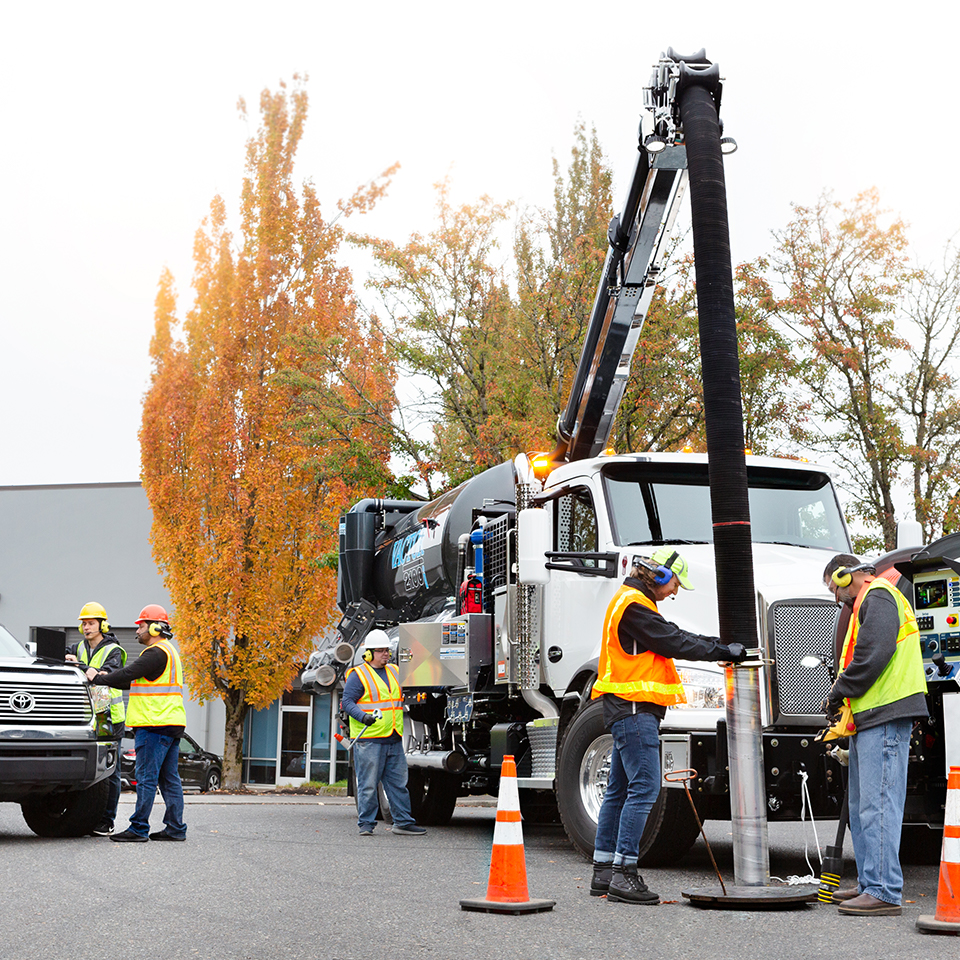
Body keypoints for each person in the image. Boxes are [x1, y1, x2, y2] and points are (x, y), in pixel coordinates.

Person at [590, 548, 747, 904]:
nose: (675, 591)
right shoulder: (633, 605)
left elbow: (673, 634)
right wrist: (722, 652)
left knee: (618, 790)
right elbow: (673, 641)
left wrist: (718, 645)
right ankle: (623, 875)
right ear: (659, 575)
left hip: (626, 708)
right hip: (634, 709)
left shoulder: (633, 603)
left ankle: (604, 871)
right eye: (675, 582)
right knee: (645, 788)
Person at [822, 554, 927, 916]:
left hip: (886, 713)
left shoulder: (878, 595)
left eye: (834, 586)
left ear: (845, 575)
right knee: (861, 806)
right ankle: (871, 882)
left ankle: (883, 889)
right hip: (871, 714)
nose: (837, 597)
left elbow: (872, 654)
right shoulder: (871, 601)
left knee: (878, 803)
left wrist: (839, 690)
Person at [91, 604, 187, 842]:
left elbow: (125, 674)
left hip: (153, 725)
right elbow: (129, 682)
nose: (137, 631)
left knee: (146, 778)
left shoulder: (155, 653)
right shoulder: (169, 651)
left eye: (141, 626)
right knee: (169, 779)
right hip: (170, 723)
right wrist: (106, 678)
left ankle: (139, 828)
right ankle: (175, 828)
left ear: (155, 627)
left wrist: (95, 676)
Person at [340, 630, 426, 837]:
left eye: (387, 650)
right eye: (380, 651)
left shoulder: (395, 671)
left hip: (393, 737)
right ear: (368, 654)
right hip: (370, 740)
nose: (385, 654)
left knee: (398, 784)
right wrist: (362, 717)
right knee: (368, 784)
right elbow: (347, 703)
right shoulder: (358, 675)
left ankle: (403, 822)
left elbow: (418, 683)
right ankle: (366, 825)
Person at [66, 602, 127, 836]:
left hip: (108, 716)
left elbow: (102, 675)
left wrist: (79, 665)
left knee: (111, 771)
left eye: (91, 623)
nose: (86, 627)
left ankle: (107, 820)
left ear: (102, 625)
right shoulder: (78, 646)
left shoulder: (113, 650)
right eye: (83, 623)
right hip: (84, 714)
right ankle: (85, 817)